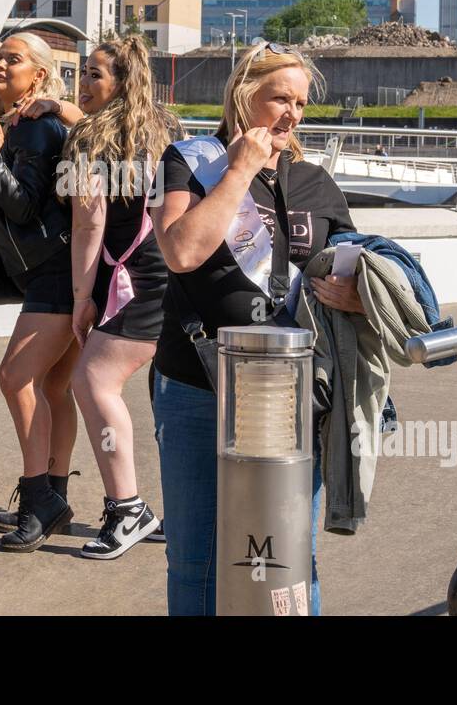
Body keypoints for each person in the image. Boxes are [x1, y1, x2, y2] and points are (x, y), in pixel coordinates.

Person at [150, 40, 361, 615]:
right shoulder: (190, 161)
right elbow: (181, 251)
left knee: (290, 550)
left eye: (302, 103)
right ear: (244, 97)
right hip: (197, 384)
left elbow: (355, 268)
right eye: (280, 99)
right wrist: (241, 168)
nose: (293, 114)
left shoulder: (316, 181)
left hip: (289, 393)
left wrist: (355, 294)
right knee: (196, 556)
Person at [64, 36, 179, 559]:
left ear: (119, 84)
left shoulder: (93, 139)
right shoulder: (162, 129)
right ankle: (163, 508)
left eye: (94, 75)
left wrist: (81, 298)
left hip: (135, 277)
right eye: (82, 73)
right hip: (169, 269)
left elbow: (89, 223)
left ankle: (127, 508)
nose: (82, 84)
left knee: (92, 380)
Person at [0, 32, 84, 552]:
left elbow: (22, 207)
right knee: (55, 389)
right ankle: (54, 498)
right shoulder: (17, 124)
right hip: (53, 272)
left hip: (56, 275)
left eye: (10, 59)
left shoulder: (38, 129)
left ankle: (40, 498)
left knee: (14, 376)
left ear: (38, 74)